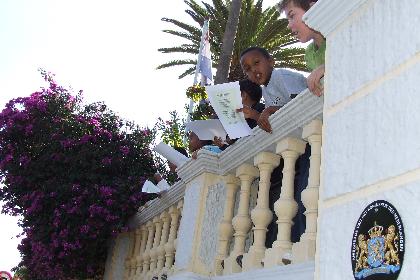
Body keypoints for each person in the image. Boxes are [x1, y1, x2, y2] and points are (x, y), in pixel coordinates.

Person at [240, 47, 307, 133]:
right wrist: (259, 115)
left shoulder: (282, 76)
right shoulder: (265, 91)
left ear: (270, 62)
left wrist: (270, 109)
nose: (253, 70)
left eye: (256, 63)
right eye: (247, 69)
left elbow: (302, 103)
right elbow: (276, 120)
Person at [276, 0, 325, 97]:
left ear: (312, 8)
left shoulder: (336, 35)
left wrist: (327, 67)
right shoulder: (309, 54)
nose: (289, 25)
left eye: (292, 16)